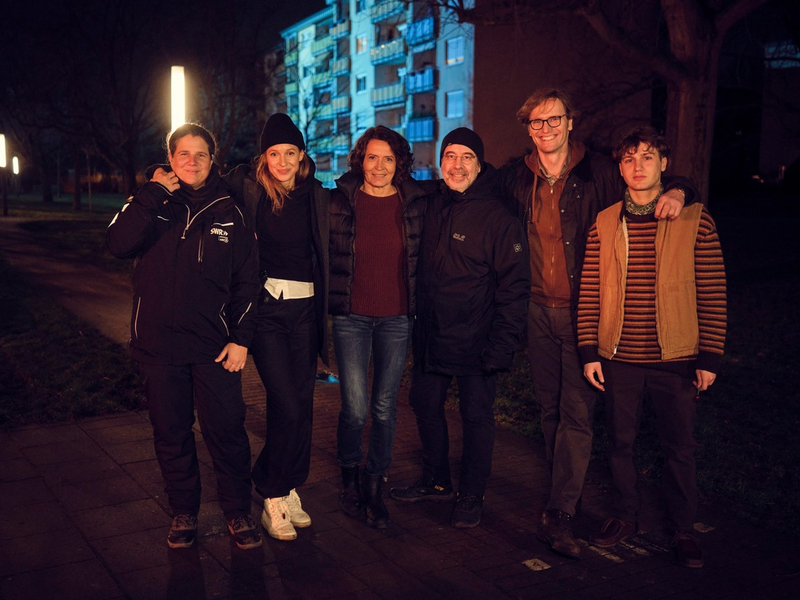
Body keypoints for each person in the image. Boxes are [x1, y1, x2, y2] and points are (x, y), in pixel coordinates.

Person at [499, 89, 695, 558]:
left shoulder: (602, 172)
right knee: (550, 410)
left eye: (554, 120)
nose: (545, 130)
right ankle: (566, 493)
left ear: (571, 122)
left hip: (587, 312)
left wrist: (682, 188)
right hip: (536, 309)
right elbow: (463, 184)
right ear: (528, 130)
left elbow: (647, 185)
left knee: (578, 413)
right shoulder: (514, 177)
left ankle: (561, 512)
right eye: (536, 123)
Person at [106, 123, 262, 550]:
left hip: (214, 347)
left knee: (227, 432)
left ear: (214, 161)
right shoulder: (150, 203)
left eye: (201, 154)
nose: (191, 162)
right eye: (183, 154)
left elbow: (248, 283)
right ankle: (183, 512)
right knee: (171, 433)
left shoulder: (230, 210)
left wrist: (241, 339)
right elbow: (117, 243)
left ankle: (237, 512)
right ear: (170, 158)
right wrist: (152, 194)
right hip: (158, 346)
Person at [578, 127, 726, 568]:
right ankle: (626, 517)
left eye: (647, 157)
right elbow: (589, 291)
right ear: (619, 168)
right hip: (618, 358)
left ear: (664, 163)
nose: (637, 166)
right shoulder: (604, 222)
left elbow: (713, 290)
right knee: (620, 443)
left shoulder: (695, 218)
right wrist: (589, 350)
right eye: (628, 159)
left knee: (678, 446)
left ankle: (683, 527)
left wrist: (710, 356)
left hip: (676, 358)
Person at [389, 128, 530, 528]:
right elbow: (379, 183)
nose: (457, 165)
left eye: (467, 157)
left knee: (476, 416)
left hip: (478, 340)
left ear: (480, 164)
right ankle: (436, 481)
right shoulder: (430, 201)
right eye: (450, 156)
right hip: (432, 335)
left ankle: (472, 492)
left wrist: (502, 346)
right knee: (425, 405)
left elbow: (515, 287)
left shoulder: (499, 215)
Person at [225, 113, 330, 541]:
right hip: (266, 309)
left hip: (306, 311)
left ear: (302, 155)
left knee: (302, 404)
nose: (282, 161)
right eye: (274, 153)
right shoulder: (248, 188)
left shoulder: (318, 195)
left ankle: (288, 486)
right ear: (263, 157)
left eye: (290, 152)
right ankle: (270, 489)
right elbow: (204, 179)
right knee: (285, 402)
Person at [329, 126, 431, 528]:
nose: (379, 166)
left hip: (397, 318)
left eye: (388, 159)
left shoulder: (416, 203)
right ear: (360, 160)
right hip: (350, 316)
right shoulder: (340, 200)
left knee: (385, 408)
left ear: (399, 163)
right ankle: (349, 478)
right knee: (354, 408)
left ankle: (375, 484)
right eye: (372, 157)